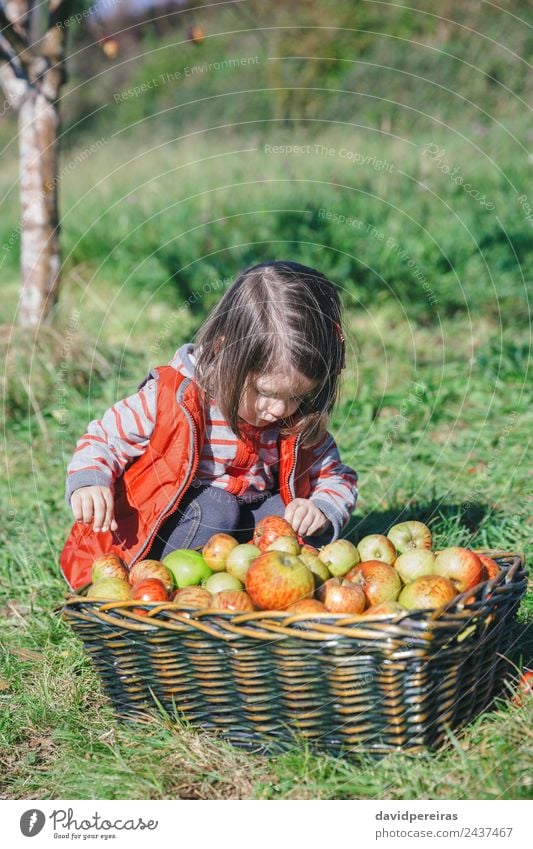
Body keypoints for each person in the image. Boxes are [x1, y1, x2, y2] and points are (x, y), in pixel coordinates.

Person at [59, 261, 358, 589]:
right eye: (265, 393)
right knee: (218, 507)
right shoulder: (174, 398)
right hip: (170, 526)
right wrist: (90, 481)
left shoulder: (296, 420)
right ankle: (157, 586)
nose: (278, 410)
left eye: (297, 396)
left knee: (288, 520)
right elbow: (105, 437)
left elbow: (337, 476)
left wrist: (321, 508)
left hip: (238, 532)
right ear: (224, 350)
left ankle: (249, 591)